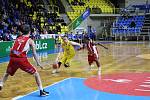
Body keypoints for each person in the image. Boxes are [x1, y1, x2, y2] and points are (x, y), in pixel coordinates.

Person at [0, 24, 49, 96]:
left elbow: (12, 49)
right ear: (29, 32)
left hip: (13, 58)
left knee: (7, 73)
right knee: (36, 74)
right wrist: (38, 63)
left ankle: (1, 84)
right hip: (21, 60)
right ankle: (41, 91)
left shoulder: (17, 38)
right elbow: (34, 54)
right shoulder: (30, 41)